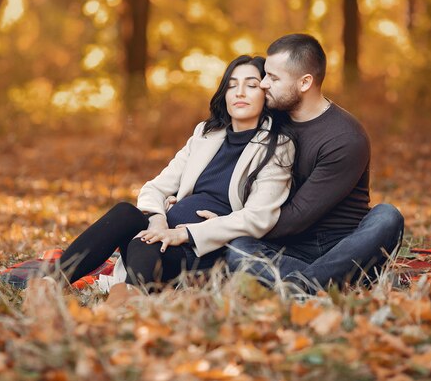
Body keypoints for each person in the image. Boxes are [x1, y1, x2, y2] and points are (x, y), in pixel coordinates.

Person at [57, 55, 295, 289]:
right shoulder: (206, 134)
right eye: (232, 85)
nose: (240, 92)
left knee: (146, 243)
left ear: (266, 93)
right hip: (160, 239)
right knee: (126, 213)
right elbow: (155, 188)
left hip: (200, 253)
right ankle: (51, 282)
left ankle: (128, 300)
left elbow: (258, 217)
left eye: (251, 85)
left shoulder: (277, 146)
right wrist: (158, 221)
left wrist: (187, 234)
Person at [225, 34, 404, 293]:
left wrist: (232, 222)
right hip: (289, 248)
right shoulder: (272, 119)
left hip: (341, 246)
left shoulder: (344, 137)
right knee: (237, 249)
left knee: (388, 216)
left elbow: (297, 217)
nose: (263, 84)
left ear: (305, 82)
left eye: (273, 78)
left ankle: (303, 286)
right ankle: (334, 283)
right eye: (265, 75)